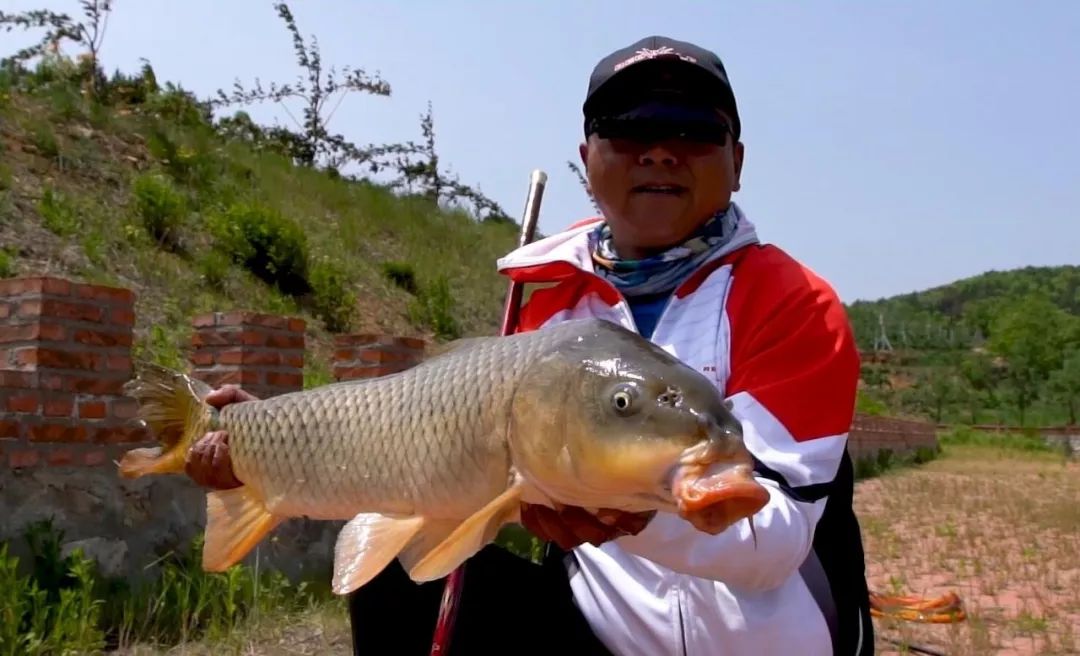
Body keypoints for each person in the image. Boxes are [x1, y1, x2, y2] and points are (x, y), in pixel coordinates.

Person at [184, 35, 874, 655]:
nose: (660, 151)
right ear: (588, 157)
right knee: (401, 573)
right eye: (629, 129)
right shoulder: (548, 303)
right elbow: (414, 451)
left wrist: (626, 516)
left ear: (738, 161)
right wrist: (259, 438)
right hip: (594, 630)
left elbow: (773, 544)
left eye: (695, 130)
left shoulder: (790, 302)